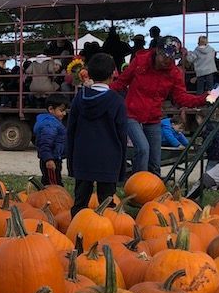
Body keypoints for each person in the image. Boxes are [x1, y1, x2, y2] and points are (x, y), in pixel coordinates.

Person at [111, 36, 209, 175]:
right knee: (143, 149)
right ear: (157, 50)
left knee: (155, 162)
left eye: (172, 58)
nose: (167, 60)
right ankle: (138, 185)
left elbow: (181, 98)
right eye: (164, 55)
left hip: (153, 117)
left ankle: (154, 190)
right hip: (131, 113)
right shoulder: (140, 61)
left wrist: (203, 99)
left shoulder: (175, 73)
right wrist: (101, 89)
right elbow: (121, 82)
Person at [66, 52, 127, 217]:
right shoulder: (116, 101)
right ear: (112, 75)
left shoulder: (80, 98)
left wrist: (71, 161)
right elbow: (122, 134)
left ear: (89, 73)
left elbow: (70, 130)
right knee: (107, 203)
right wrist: (121, 168)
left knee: (80, 202)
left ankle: (77, 233)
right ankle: (108, 236)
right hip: (108, 158)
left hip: (83, 156)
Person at [33, 95, 67, 186]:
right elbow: (45, 144)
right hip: (51, 160)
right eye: (61, 110)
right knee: (54, 185)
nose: (64, 113)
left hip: (55, 158)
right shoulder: (49, 124)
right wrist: (49, 159)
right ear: (51, 109)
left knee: (50, 181)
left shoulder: (53, 122)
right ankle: (51, 200)